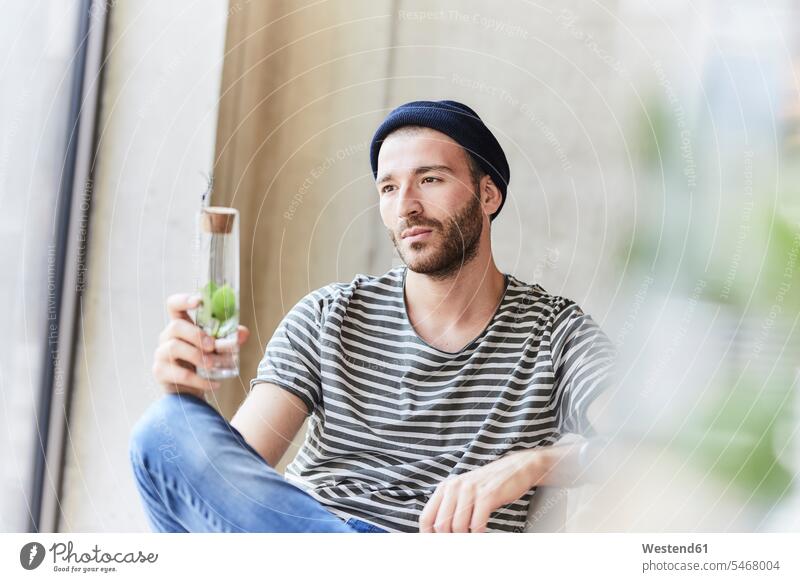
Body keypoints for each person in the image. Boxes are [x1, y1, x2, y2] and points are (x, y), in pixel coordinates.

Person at [129, 100, 617, 534]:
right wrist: (190, 400)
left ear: (488, 195)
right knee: (165, 427)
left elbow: (657, 447)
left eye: (430, 179)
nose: (406, 206)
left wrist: (532, 464)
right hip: (309, 535)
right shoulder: (327, 315)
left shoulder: (557, 334)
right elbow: (235, 480)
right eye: (388, 187)